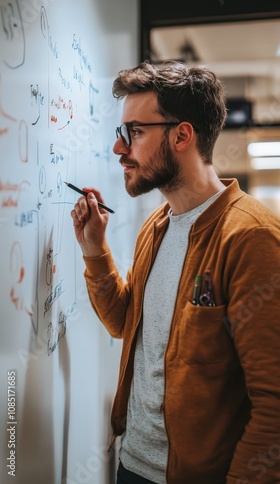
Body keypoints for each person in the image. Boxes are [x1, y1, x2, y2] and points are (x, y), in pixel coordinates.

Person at [71, 61, 280, 484]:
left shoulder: (251, 238)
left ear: (182, 135)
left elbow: (274, 403)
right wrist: (94, 248)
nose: (119, 148)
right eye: (121, 133)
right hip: (131, 464)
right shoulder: (158, 224)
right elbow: (124, 324)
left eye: (135, 132)